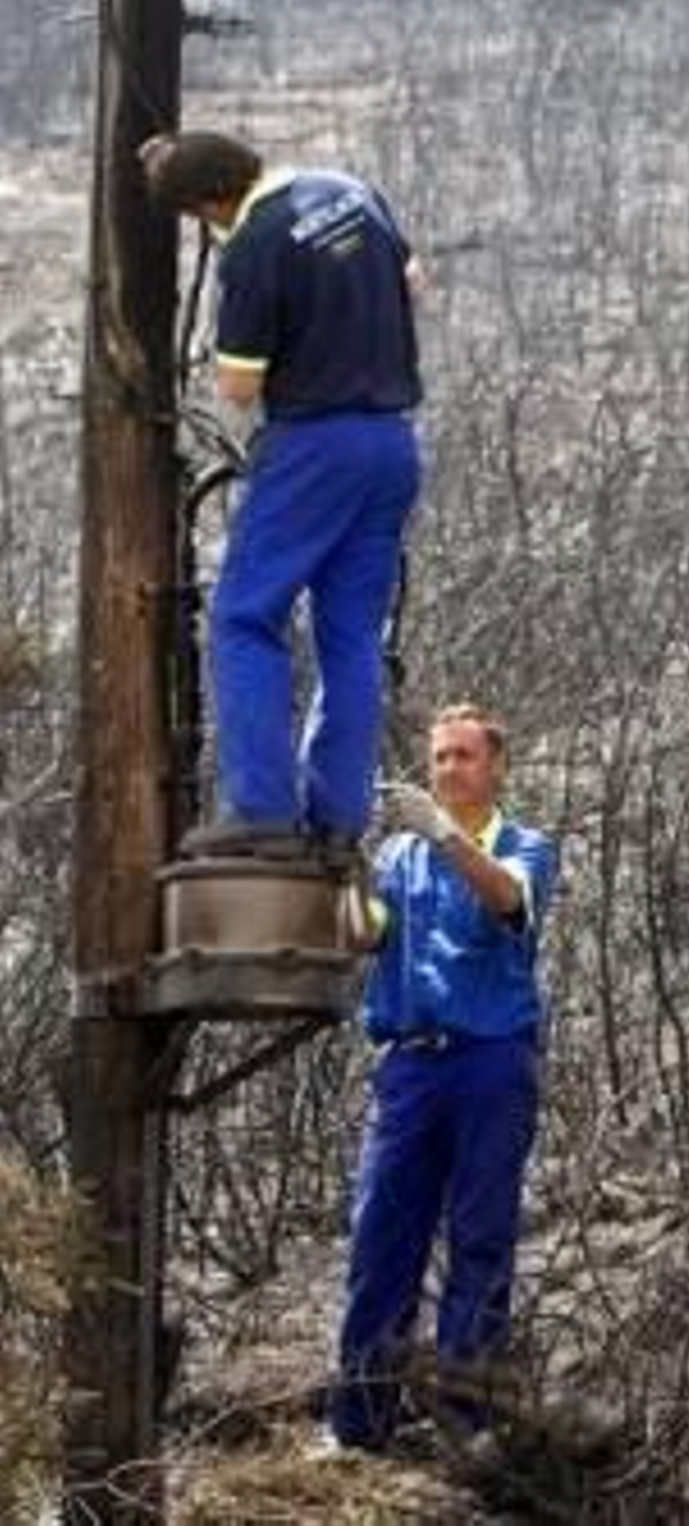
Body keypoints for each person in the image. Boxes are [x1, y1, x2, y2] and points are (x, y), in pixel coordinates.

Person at [141, 130, 424, 860]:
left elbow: (239, 385)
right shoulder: (350, 190)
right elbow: (414, 279)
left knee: (243, 616)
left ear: (210, 204)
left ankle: (263, 810)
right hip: (391, 442)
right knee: (352, 635)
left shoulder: (254, 243)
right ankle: (336, 821)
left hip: (314, 446)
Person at [327, 702, 561, 1452]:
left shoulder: (526, 846)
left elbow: (506, 900)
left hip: (491, 1060)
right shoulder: (400, 858)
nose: (448, 770)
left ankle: (466, 1423)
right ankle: (359, 1426)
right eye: (439, 759)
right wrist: (345, 863)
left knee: (481, 1236)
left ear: (496, 767)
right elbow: (363, 934)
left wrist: (442, 831)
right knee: (380, 1237)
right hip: (411, 1065)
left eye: (463, 757)